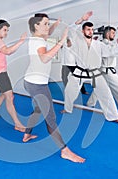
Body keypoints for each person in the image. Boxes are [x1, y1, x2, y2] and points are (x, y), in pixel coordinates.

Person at [23, 13, 85, 163]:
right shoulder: (38, 41)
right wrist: (61, 41)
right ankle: (65, 151)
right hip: (38, 85)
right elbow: (44, 58)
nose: (47, 26)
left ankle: (27, 134)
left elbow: (48, 32)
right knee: (50, 118)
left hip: (30, 81)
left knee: (38, 110)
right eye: (45, 23)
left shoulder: (36, 37)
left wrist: (56, 24)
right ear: (36, 25)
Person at [61, 19, 118, 126]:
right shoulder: (77, 42)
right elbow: (70, 31)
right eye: (88, 29)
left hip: (94, 72)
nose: (91, 31)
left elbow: (110, 52)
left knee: (105, 93)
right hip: (80, 71)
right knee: (69, 91)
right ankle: (67, 108)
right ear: (83, 31)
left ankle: (114, 116)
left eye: (92, 29)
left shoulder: (98, 44)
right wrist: (81, 20)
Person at [0, 19, 27, 132]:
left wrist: (16, 46)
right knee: (10, 97)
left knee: (4, 95)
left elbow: (8, 51)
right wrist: (20, 41)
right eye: (4, 30)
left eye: (7, 30)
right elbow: (8, 51)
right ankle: (17, 124)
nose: (6, 33)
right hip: (0, 74)